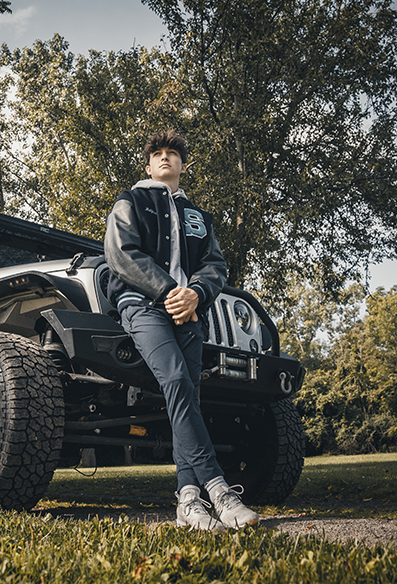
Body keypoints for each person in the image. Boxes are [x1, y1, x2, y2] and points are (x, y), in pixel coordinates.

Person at [104, 130, 259, 531]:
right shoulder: (131, 200)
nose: (165, 158)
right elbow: (122, 253)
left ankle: (187, 499)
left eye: (173, 154)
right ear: (149, 164)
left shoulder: (198, 216)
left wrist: (195, 295)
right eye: (158, 153)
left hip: (189, 313)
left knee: (188, 396)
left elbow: (215, 265)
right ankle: (219, 488)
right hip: (142, 305)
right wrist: (171, 291)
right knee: (174, 380)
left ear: (183, 165)